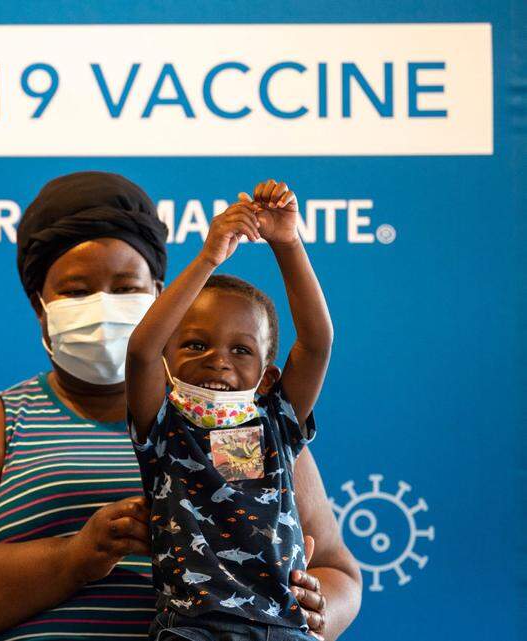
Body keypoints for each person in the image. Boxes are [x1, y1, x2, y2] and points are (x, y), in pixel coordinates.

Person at [0, 172, 361, 641]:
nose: (104, 306)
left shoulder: (247, 428)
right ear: (39, 304)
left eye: (129, 288)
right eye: (76, 290)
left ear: (161, 295)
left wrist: (317, 610)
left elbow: (339, 575)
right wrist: (72, 558)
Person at [126, 179, 331, 639]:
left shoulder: (276, 422)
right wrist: (209, 257)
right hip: (191, 629)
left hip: (286, 627)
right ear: (166, 361)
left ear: (269, 379)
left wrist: (288, 242)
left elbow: (317, 343)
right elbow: (140, 353)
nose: (218, 359)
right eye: (196, 344)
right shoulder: (162, 424)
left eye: (241, 351)